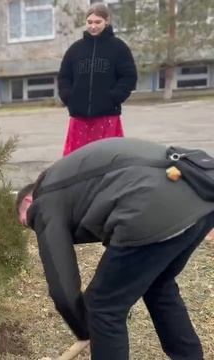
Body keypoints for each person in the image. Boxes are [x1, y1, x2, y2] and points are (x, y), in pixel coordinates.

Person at [15, 137, 214, 360]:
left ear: (29, 202)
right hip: (200, 194)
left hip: (150, 207)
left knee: (102, 306)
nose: (35, 227)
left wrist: (85, 327)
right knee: (158, 284)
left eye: (29, 222)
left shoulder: (45, 200)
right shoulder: (68, 178)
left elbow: (62, 283)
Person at [57, 3, 137, 156]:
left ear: (106, 21)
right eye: (90, 22)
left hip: (106, 117)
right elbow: (64, 76)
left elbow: (129, 76)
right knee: (77, 160)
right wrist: (68, 96)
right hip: (79, 118)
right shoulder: (75, 49)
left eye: (97, 22)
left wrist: (114, 97)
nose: (93, 26)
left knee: (107, 158)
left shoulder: (118, 48)